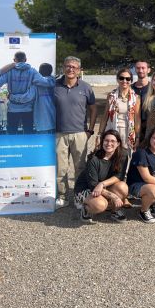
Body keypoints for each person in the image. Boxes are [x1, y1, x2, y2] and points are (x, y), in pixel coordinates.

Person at [53, 57, 97, 209]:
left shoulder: (86, 87)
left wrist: (90, 130)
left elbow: (93, 108)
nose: (70, 69)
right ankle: (62, 196)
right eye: (67, 66)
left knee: (80, 168)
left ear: (79, 70)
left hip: (79, 133)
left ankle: (79, 196)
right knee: (60, 168)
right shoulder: (55, 86)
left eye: (74, 67)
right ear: (63, 68)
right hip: (59, 133)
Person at [0, 51, 50, 134]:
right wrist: (54, 80)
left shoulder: (9, 71)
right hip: (28, 108)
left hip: (12, 109)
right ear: (25, 59)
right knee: (29, 134)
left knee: (11, 134)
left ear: (14, 60)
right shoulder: (32, 71)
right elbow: (45, 82)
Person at [75, 130, 129, 224]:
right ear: (102, 141)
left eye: (113, 141)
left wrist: (102, 183)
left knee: (123, 187)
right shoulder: (93, 159)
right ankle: (86, 208)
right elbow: (92, 185)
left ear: (118, 143)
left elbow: (119, 176)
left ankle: (114, 211)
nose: (109, 143)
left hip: (102, 186)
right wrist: (114, 197)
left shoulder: (123, 155)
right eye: (106, 140)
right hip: (86, 188)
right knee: (100, 205)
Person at [99, 68, 141, 153]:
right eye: (121, 78)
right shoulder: (111, 96)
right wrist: (100, 134)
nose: (124, 81)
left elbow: (137, 119)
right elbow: (105, 117)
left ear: (131, 81)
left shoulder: (136, 98)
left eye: (128, 79)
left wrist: (137, 137)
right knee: (111, 156)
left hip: (128, 133)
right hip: (112, 130)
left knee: (125, 158)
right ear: (117, 79)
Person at [32, 63, 56, 133]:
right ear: (50, 71)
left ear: (40, 71)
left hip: (41, 119)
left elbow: (30, 97)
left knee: (43, 141)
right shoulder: (55, 82)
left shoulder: (36, 84)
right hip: (54, 118)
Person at [131, 60, 151, 142]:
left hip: (149, 126)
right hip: (132, 126)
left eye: (143, 68)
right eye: (138, 68)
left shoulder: (153, 89)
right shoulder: (130, 88)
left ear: (148, 70)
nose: (140, 70)